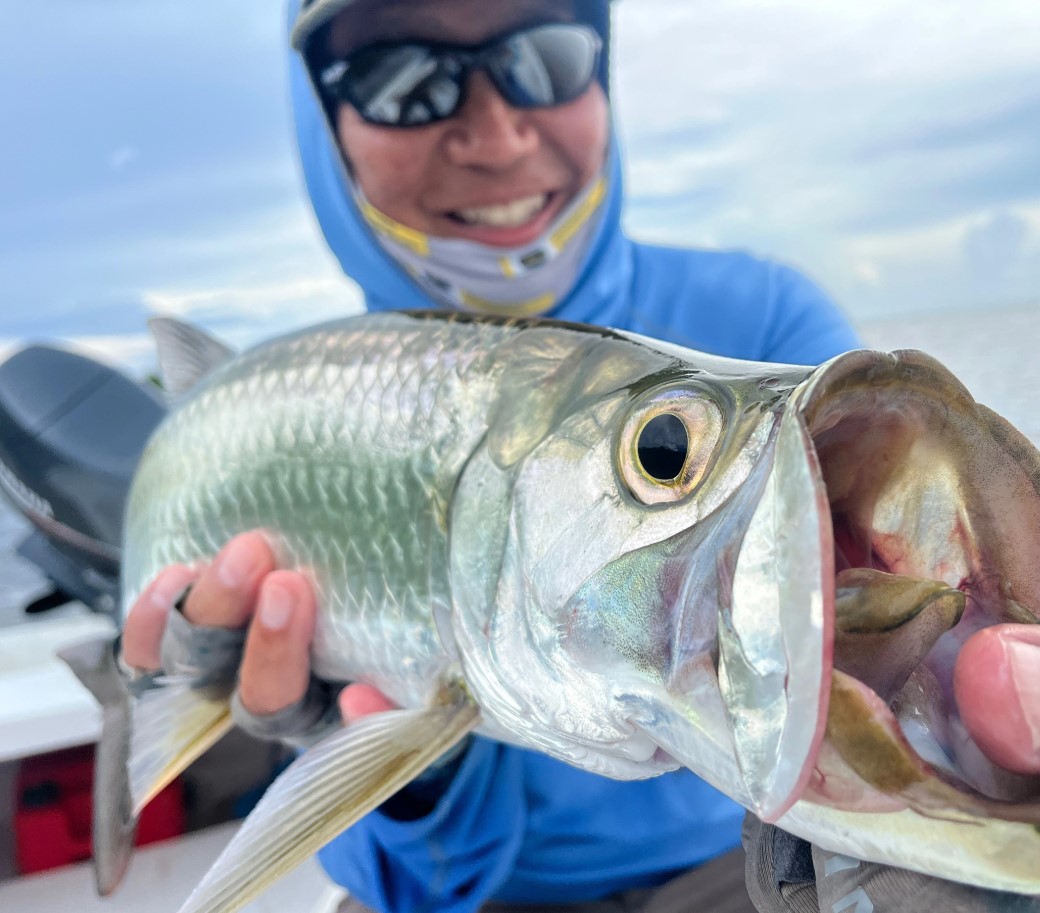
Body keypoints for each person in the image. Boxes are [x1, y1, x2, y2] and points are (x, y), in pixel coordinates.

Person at [121, 0, 1040, 911]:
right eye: (401, 82)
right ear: (325, 124)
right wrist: (405, 773)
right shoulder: (288, 399)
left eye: (546, 57)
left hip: (738, 860)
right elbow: (415, 880)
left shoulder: (769, 318)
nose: (495, 131)